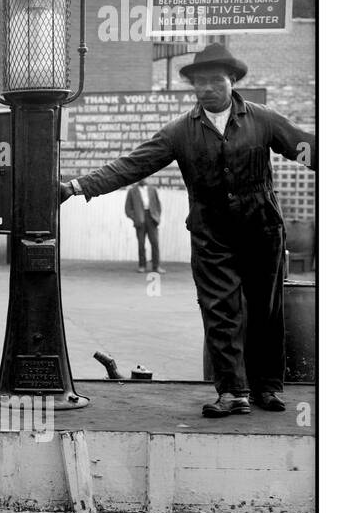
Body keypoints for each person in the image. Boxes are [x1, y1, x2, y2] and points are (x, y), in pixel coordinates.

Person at [60, 43, 315, 418]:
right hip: (211, 235)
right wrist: (77, 187)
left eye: (216, 80)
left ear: (232, 81)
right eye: (200, 83)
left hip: (262, 230)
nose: (207, 88)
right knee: (220, 312)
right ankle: (233, 393)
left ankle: (268, 388)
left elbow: (305, 149)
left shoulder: (264, 120)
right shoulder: (179, 131)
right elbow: (132, 165)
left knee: (266, 311)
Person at [124, 177, 164, 274]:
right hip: (140, 220)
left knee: (155, 243)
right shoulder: (132, 191)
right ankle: (142, 266)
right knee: (141, 244)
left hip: (152, 219)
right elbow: (128, 209)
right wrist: (135, 217)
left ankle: (156, 266)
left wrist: (157, 216)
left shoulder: (152, 189)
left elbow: (158, 205)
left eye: (145, 176)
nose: (143, 179)